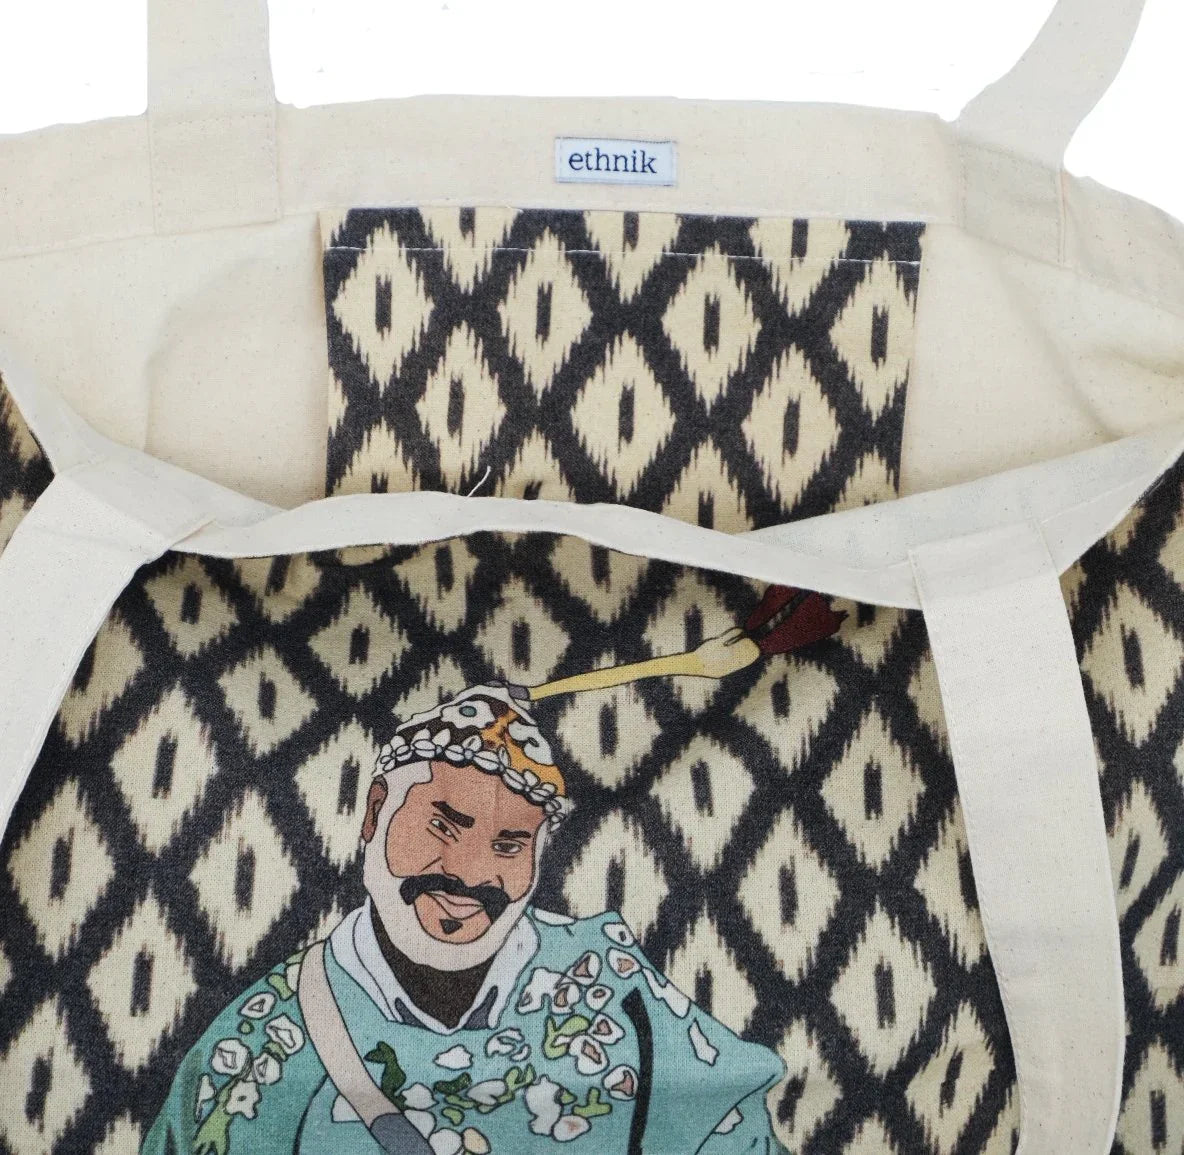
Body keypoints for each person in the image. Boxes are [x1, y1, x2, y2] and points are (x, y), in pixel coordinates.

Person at [144, 684, 789, 1154]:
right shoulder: (259, 1048)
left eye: (509, 845)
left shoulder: (617, 989)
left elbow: (733, 1127)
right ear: (374, 813)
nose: (472, 874)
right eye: (444, 826)